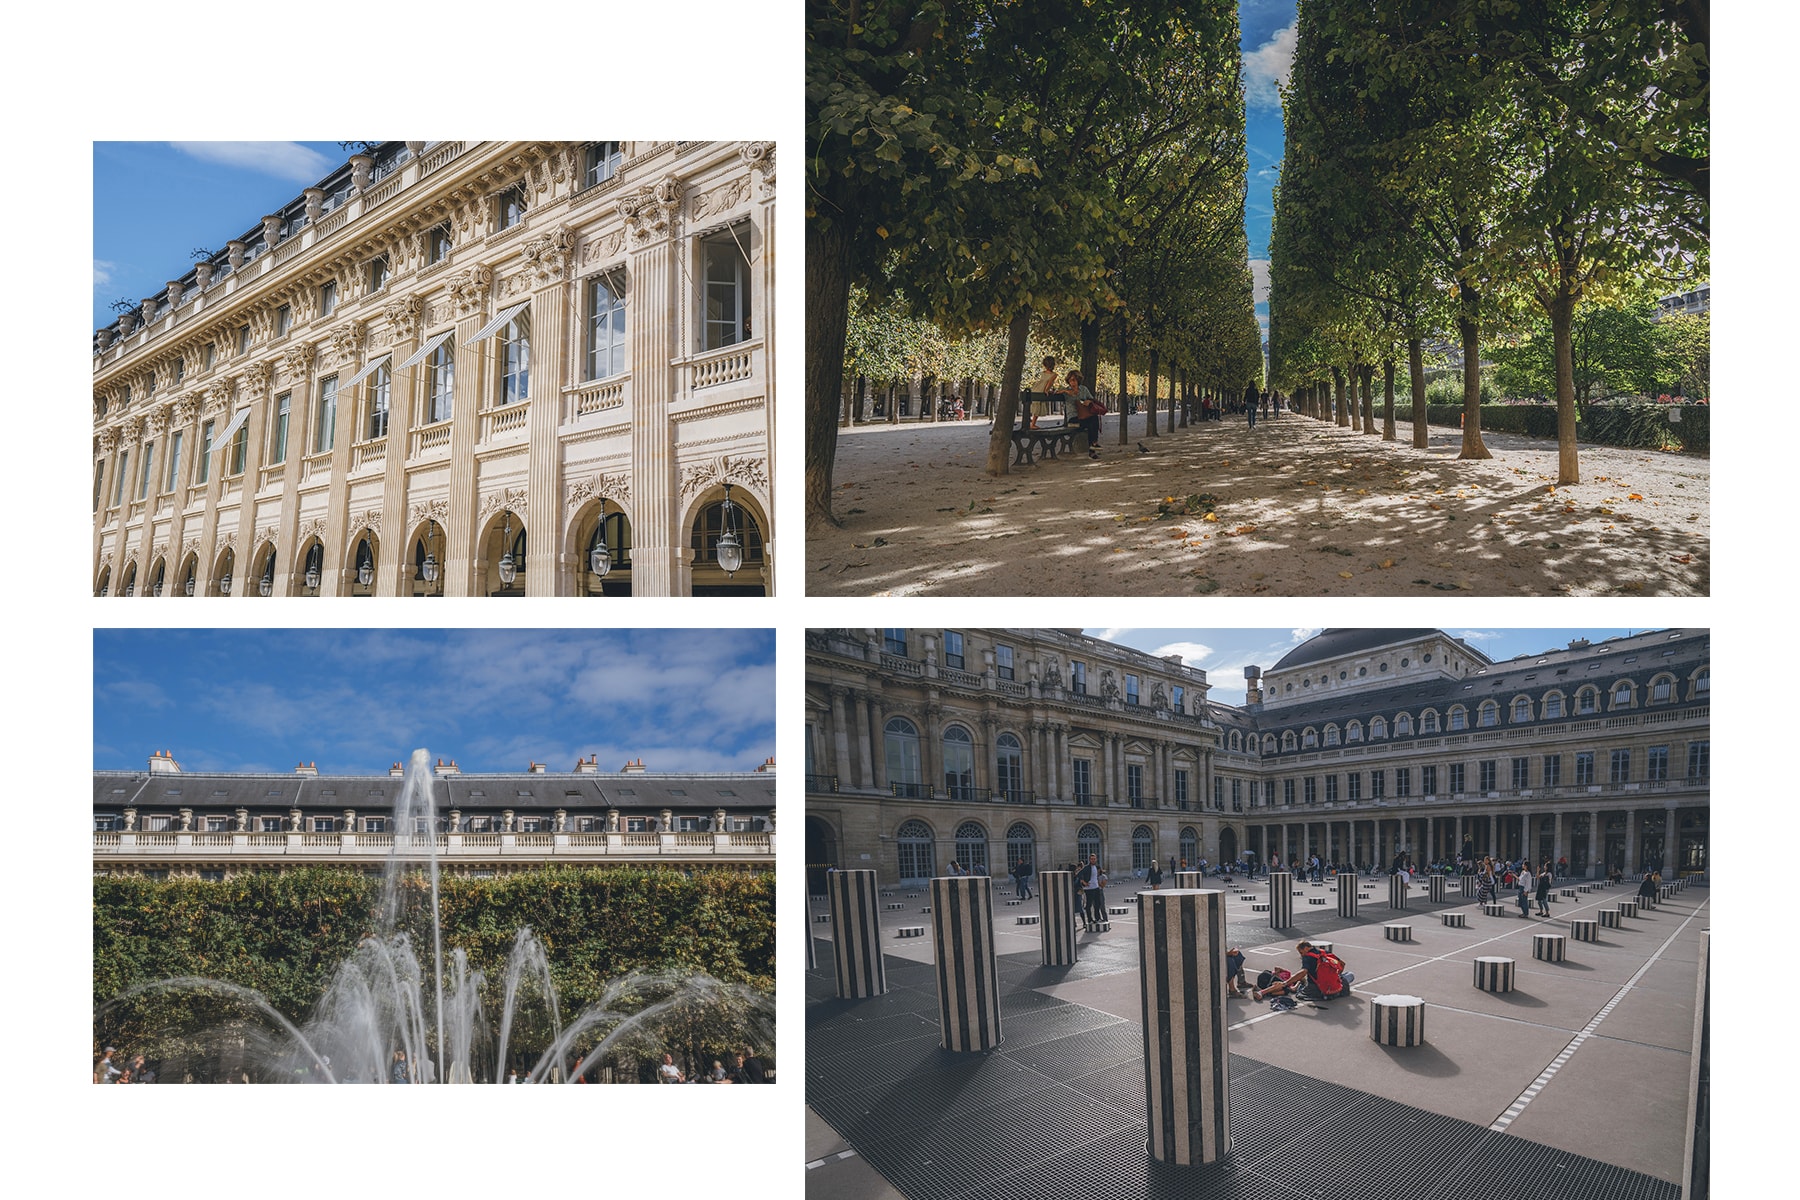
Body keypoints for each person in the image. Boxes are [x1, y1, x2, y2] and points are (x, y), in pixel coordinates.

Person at [1254, 941, 1354, 1002]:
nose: (1301, 955)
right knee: (1350, 975)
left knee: (1303, 988)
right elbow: (1342, 964)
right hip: (1336, 987)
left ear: (1306, 948)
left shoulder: (1308, 957)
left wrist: (1286, 983)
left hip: (1317, 988)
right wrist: (1336, 976)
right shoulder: (1324, 953)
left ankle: (1262, 992)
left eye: (1301, 952)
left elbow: (1303, 972)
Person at [1069, 371, 1102, 459]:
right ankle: (1093, 447)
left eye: (1074, 380)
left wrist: (1089, 401)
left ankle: (1093, 445)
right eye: (1071, 380)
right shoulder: (1067, 391)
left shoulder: (1083, 389)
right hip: (1073, 418)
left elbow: (1092, 399)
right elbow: (1057, 392)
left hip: (1083, 417)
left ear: (1078, 380)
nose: (1072, 382)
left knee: (1093, 419)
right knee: (1092, 423)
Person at [1080, 854, 1106, 931]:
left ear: (1096, 859)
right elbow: (1079, 874)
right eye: (1092, 859)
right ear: (1089, 860)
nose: (1093, 860)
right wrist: (1084, 882)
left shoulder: (1096, 867)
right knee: (1089, 904)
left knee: (1097, 903)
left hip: (1096, 887)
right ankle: (1090, 919)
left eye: (1094, 859)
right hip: (1089, 889)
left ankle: (1097, 918)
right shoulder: (1086, 868)